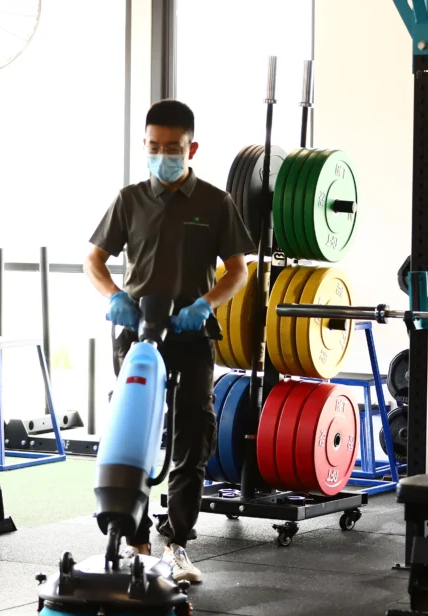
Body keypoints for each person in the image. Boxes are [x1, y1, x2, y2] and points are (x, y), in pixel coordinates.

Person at [84, 99, 255, 583]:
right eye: (154, 146)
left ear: (191, 148)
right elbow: (93, 260)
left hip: (191, 333)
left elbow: (238, 271)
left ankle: (176, 543)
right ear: (144, 145)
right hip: (138, 333)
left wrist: (205, 304)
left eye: (173, 148)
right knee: (132, 431)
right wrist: (115, 296)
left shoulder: (215, 203)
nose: (163, 155)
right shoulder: (129, 199)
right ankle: (135, 541)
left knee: (193, 435)